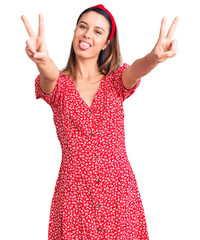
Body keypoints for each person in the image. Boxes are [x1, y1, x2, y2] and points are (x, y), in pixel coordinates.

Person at [21, 4, 179, 240]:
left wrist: (153, 59)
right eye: (83, 27)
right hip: (75, 196)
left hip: (118, 194)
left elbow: (135, 70)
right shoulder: (59, 86)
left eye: (97, 31)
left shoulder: (116, 81)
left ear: (107, 42)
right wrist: (41, 59)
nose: (87, 34)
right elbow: (50, 74)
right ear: (74, 32)